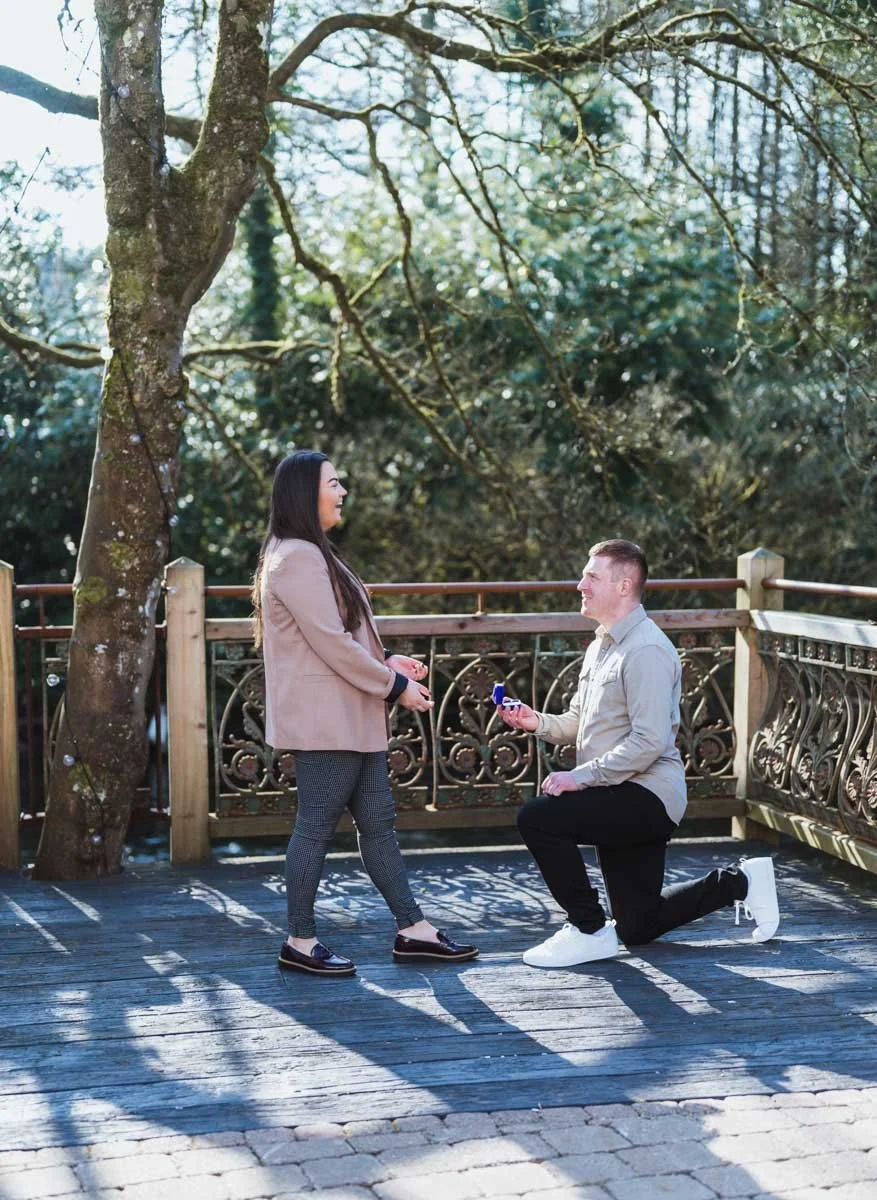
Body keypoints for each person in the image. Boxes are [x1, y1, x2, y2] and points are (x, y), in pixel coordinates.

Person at [499, 538, 779, 968]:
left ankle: (588, 929)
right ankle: (739, 883)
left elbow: (649, 743)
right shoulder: (601, 646)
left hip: (646, 795)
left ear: (625, 584)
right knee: (638, 925)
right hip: (619, 791)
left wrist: (580, 778)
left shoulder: (646, 649)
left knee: (537, 818)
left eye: (591, 576)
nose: (581, 585)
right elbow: (579, 721)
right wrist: (535, 722)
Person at [252, 450, 478, 977]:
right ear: (307, 493)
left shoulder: (307, 552)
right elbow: (329, 644)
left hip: (349, 712)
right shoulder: (297, 558)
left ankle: (412, 929)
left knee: (378, 824)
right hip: (326, 719)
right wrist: (394, 683)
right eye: (334, 482)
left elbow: (335, 636)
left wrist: (385, 660)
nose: (343, 490)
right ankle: (300, 941)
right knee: (315, 826)